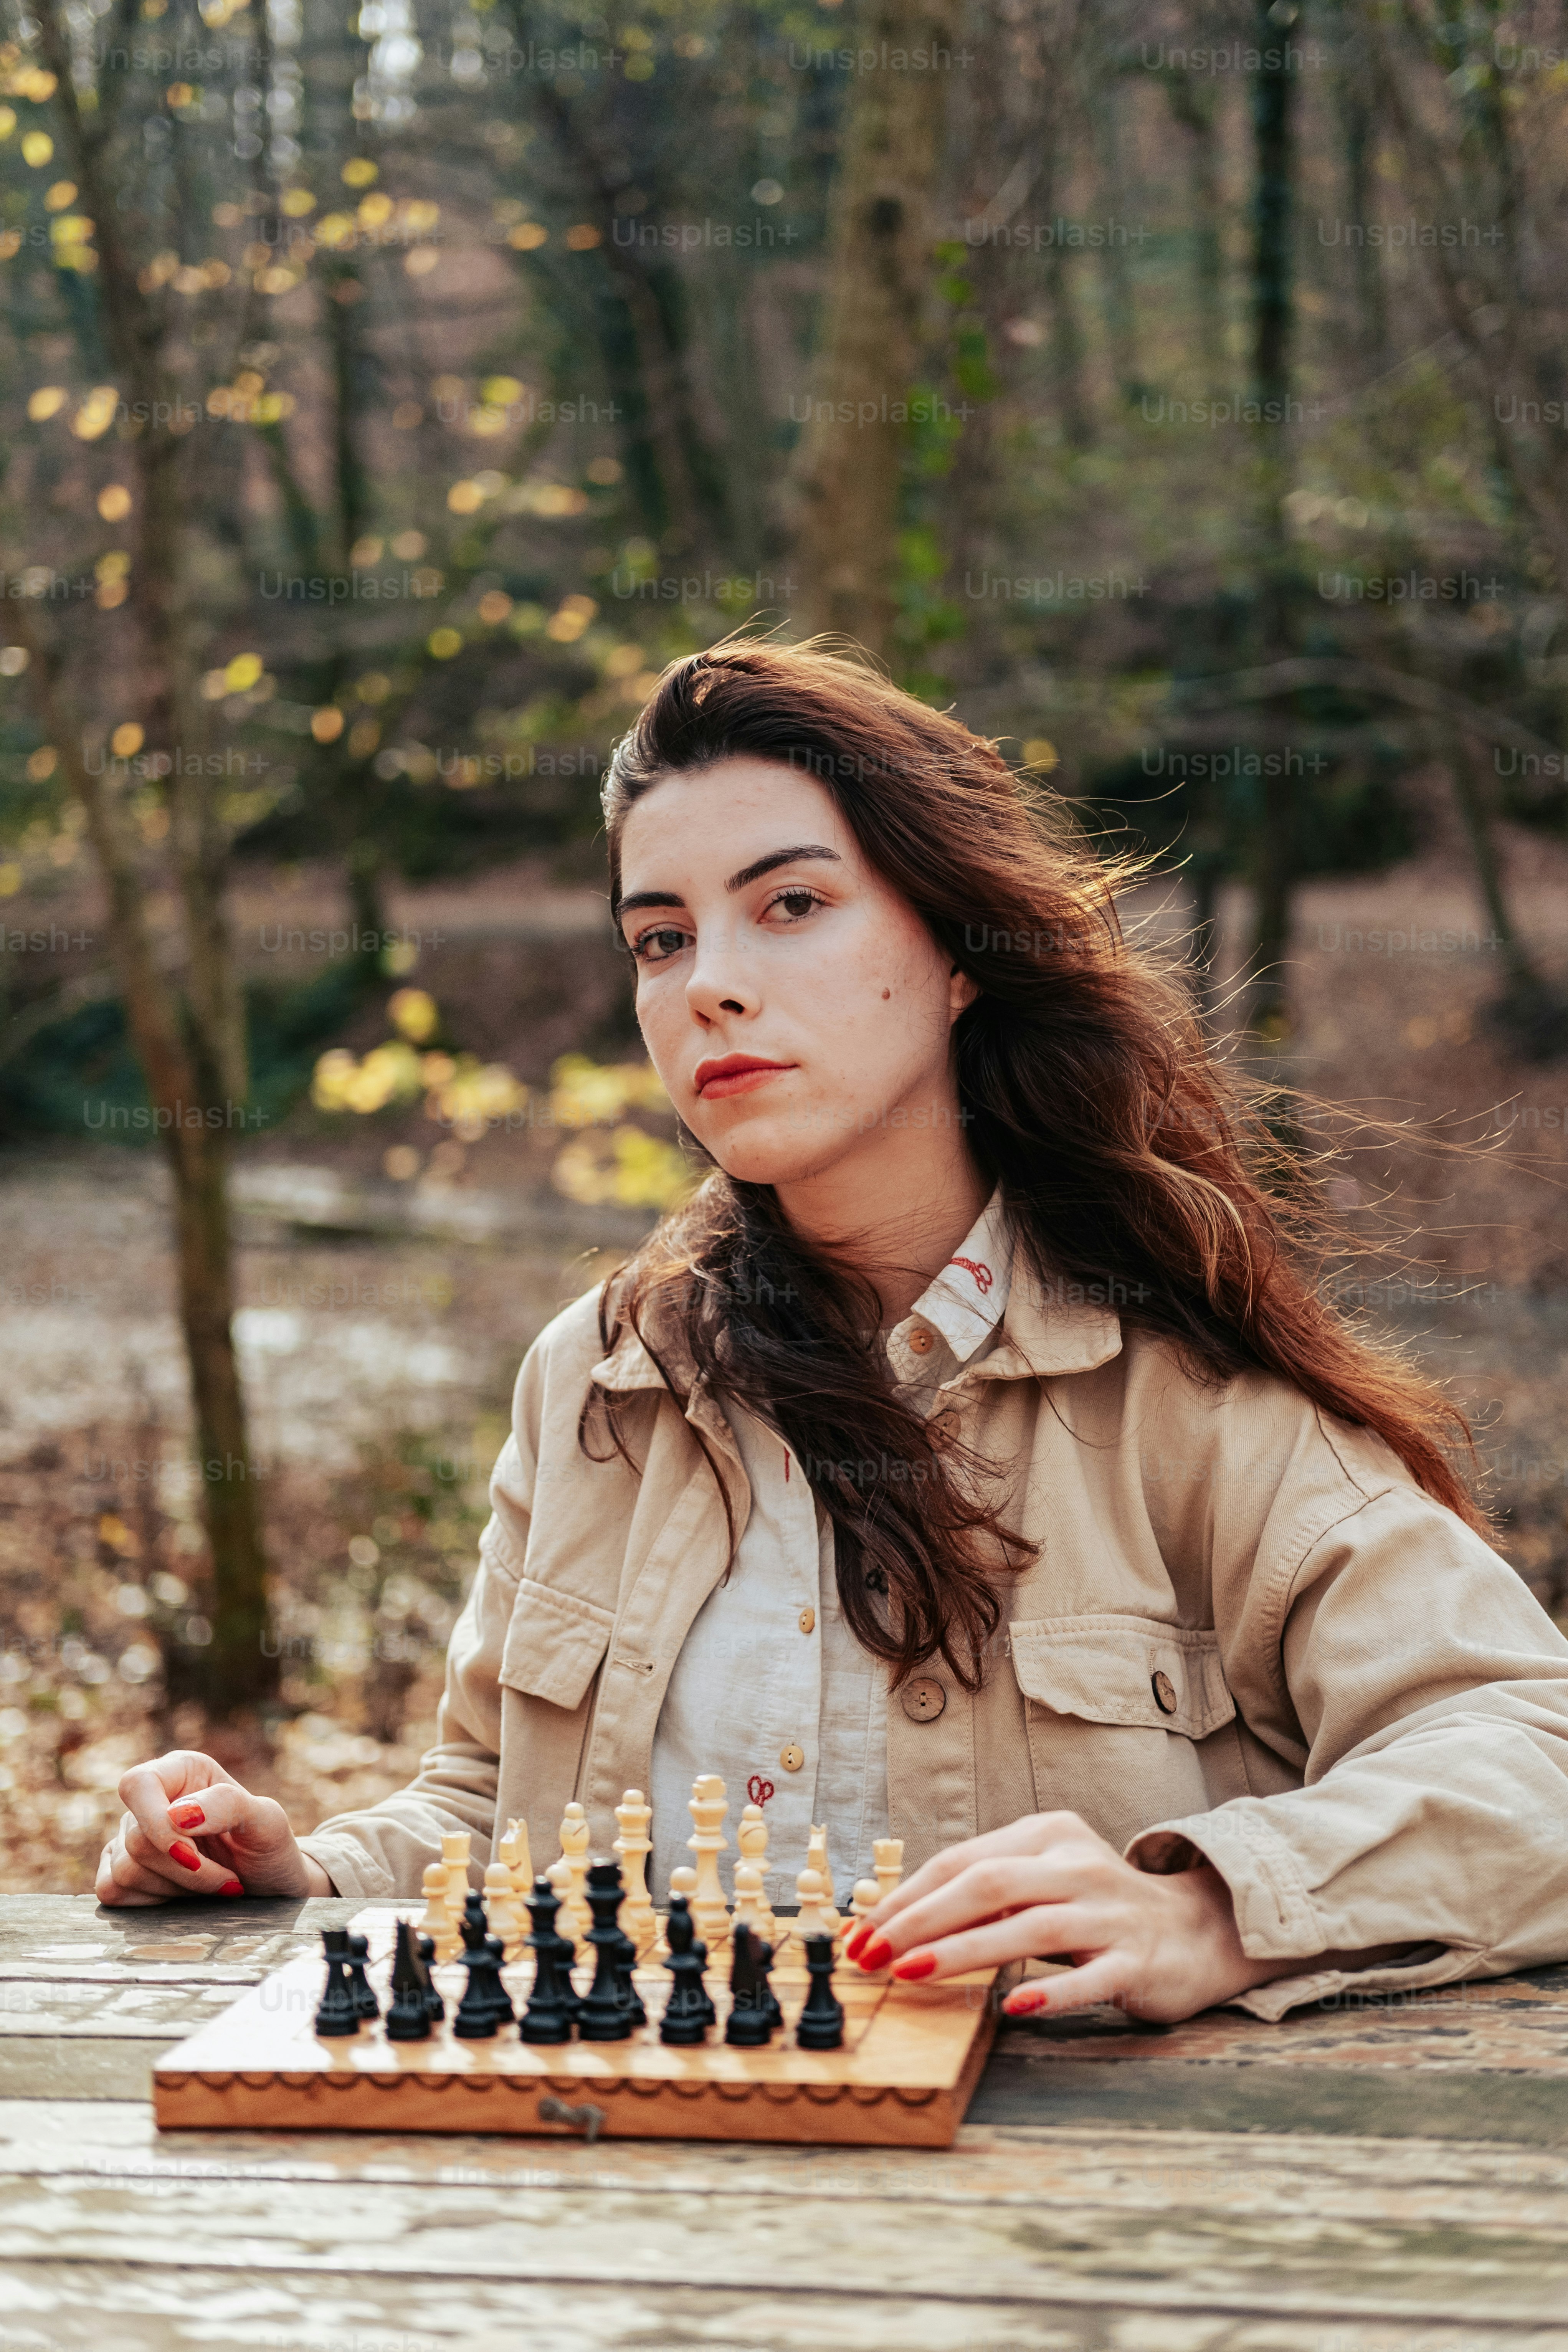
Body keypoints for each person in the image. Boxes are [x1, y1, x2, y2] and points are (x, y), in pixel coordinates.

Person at [97, 639, 1568, 2025]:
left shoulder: (1188, 1399)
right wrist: (302, 1875)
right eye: (659, 937)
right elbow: (489, 1816)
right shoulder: (596, 1382)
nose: (707, 984)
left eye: (790, 905)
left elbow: (1531, 1759)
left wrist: (1212, 1913)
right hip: (607, 2220)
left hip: (1054, 2241)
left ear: (957, 951)